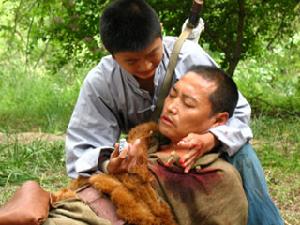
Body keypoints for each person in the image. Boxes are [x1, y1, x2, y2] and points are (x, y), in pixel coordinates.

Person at [65, 0, 283, 224]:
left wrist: (210, 138)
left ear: (160, 33)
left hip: (198, 143)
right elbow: (83, 149)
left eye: (152, 54)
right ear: (112, 55)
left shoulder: (188, 57)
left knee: (243, 155)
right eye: (131, 61)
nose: (145, 67)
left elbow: (236, 113)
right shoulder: (101, 83)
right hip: (148, 155)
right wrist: (114, 160)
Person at [44, 65, 248, 225]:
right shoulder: (144, 142)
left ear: (219, 121)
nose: (171, 107)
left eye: (188, 103)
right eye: (172, 95)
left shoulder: (219, 177)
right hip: (64, 210)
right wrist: (111, 166)